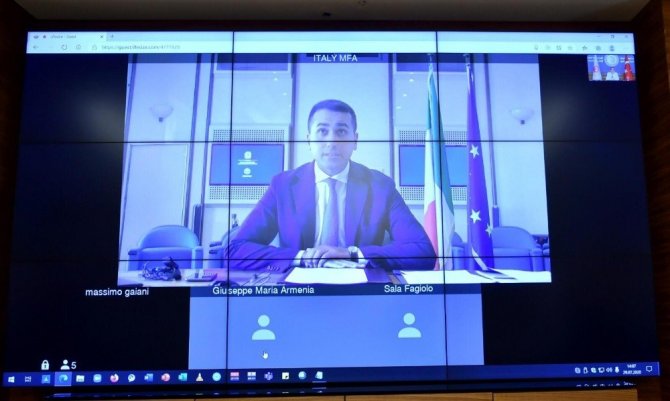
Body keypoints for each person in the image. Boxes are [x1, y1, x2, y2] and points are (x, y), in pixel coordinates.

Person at [226, 99, 436, 271]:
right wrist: (301, 257)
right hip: (298, 291)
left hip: (362, 292)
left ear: (355, 140)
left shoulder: (381, 186)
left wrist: (352, 254)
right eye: (322, 131)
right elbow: (234, 250)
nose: (332, 141)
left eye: (341, 132)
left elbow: (423, 252)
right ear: (309, 140)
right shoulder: (283, 186)